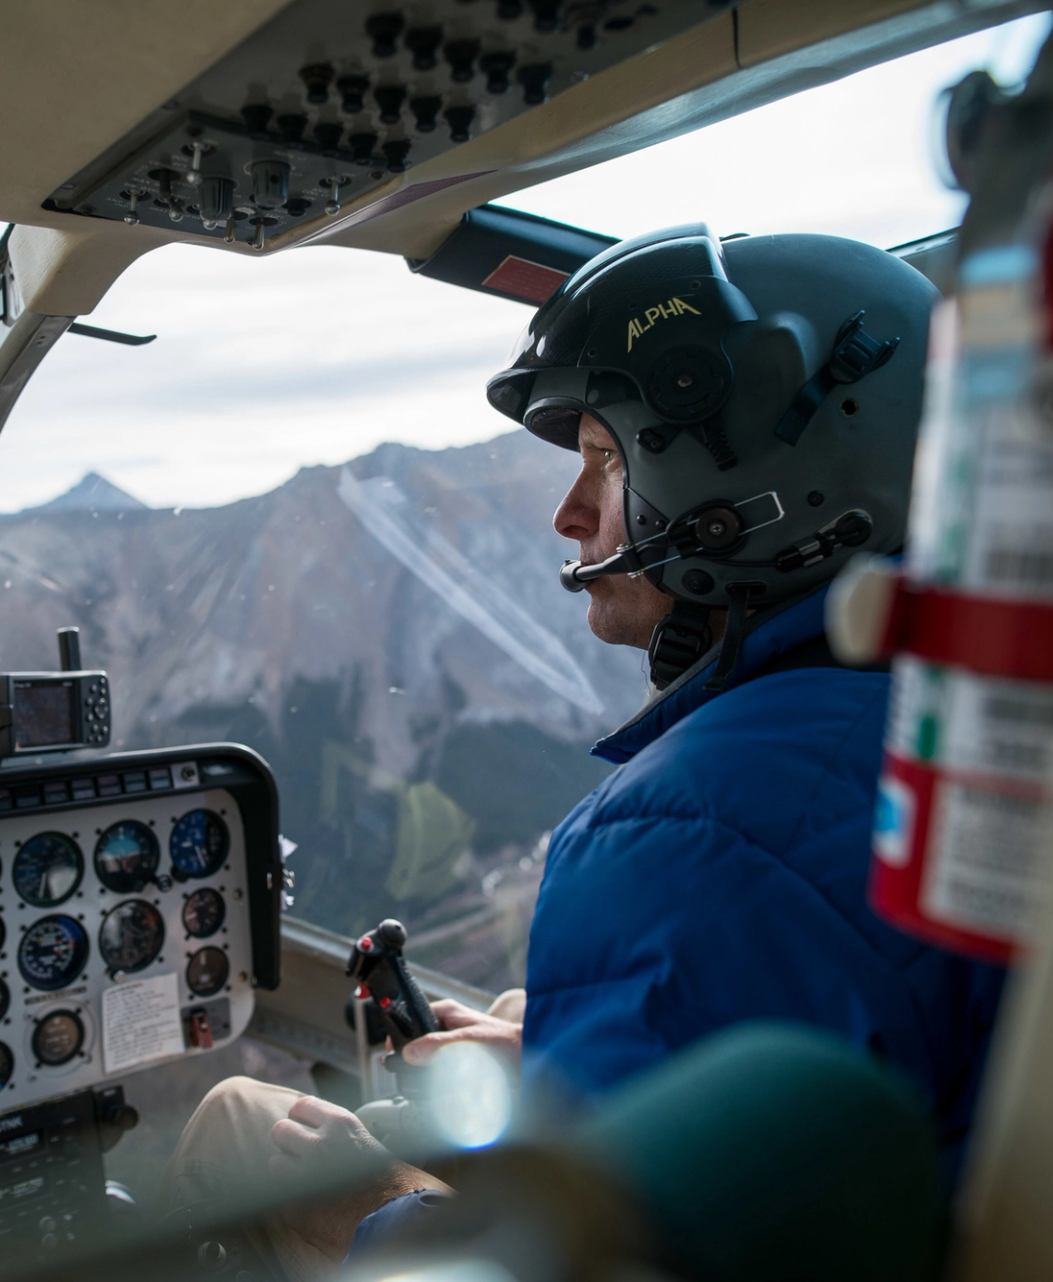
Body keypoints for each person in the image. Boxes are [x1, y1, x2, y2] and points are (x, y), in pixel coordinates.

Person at [167, 226, 1008, 1277]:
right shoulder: (962, 721)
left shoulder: (692, 834)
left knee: (242, 1119)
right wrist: (573, 1074)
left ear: (755, 487)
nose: (569, 511)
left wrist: (354, 1208)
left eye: (607, 459)